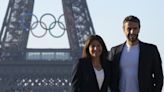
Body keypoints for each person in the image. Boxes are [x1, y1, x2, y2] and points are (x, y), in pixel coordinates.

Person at [109, 15, 163, 92]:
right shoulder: (115, 51)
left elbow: (159, 77)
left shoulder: (151, 50)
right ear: (123, 29)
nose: (132, 32)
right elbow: (110, 77)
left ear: (139, 29)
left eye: (135, 28)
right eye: (129, 29)